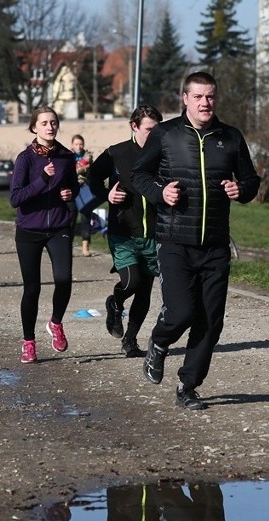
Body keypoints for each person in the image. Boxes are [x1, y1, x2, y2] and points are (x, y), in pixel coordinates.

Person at [131, 72, 260, 411]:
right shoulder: (165, 134)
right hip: (174, 239)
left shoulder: (230, 137)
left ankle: (188, 386)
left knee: (210, 321)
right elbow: (138, 174)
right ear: (185, 98)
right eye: (199, 97)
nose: (206, 103)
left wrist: (241, 190)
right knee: (182, 311)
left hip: (215, 243)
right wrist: (160, 192)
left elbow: (250, 180)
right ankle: (159, 342)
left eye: (211, 97)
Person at [89, 105, 164, 357]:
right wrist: (107, 194)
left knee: (144, 291)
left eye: (158, 130)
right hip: (124, 232)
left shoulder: (164, 154)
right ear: (134, 126)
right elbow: (92, 178)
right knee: (132, 281)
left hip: (154, 233)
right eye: (149, 130)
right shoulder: (116, 153)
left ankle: (130, 341)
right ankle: (115, 302)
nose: (154, 135)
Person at [10, 106, 79, 363]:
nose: (50, 127)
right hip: (29, 230)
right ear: (34, 128)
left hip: (59, 227)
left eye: (54, 122)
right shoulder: (24, 159)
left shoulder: (66, 156)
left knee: (63, 279)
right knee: (32, 288)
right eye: (45, 123)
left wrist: (69, 193)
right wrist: (41, 179)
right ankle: (29, 342)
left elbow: (72, 187)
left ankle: (56, 322)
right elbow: (15, 198)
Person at [71, 134, 95, 257]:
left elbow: (93, 172)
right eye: (76, 144)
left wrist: (87, 167)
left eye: (81, 144)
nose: (79, 146)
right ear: (72, 145)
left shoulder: (88, 157)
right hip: (72, 190)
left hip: (85, 190)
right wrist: (82, 169)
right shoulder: (68, 157)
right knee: (71, 218)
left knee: (86, 217)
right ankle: (68, 245)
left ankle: (85, 246)